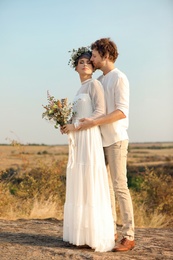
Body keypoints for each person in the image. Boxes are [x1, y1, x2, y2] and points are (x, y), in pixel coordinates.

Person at [78, 38, 135, 252]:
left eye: (94, 55)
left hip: (116, 139)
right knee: (105, 189)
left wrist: (95, 122)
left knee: (120, 186)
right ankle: (110, 231)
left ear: (106, 55)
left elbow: (122, 112)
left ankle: (128, 236)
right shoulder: (100, 81)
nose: (91, 59)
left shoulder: (120, 78)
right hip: (98, 141)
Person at [61, 47, 115, 252]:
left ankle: (93, 235)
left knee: (89, 178)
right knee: (79, 178)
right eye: (81, 62)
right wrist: (66, 124)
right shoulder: (79, 90)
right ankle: (80, 234)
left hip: (89, 136)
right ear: (75, 68)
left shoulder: (94, 84)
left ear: (93, 68)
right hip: (78, 137)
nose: (84, 64)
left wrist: (77, 126)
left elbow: (100, 111)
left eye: (88, 62)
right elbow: (78, 114)